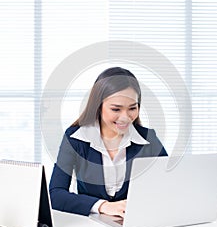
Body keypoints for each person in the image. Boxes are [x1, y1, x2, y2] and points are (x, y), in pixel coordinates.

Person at [49, 67, 167, 218]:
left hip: (136, 224)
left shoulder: (148, 138)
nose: (125, 117)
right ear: (98, 106)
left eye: (132, 108)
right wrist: (102, 206)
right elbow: (55, 194)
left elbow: (169, 185)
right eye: (116, 109)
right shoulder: (76, 137)